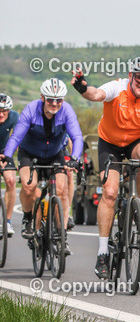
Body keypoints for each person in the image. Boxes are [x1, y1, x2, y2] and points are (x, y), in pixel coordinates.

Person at [72, 57, 140, 280]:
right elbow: (96, 94)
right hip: (110, 144)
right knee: (109, 193)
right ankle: (102, 252)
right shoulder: (117, 88)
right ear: (131, 76)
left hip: (136, 140)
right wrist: (82, 88)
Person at [0, 79, 83, 254]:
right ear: (42, 97)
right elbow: (16, 137)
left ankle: (62, 237)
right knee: (29, 187)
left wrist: (75, 158)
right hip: (29, 153)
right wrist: (7, 156)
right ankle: (28, 218)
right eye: (50, 99)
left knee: (61, 190)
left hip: (54, 154)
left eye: (58, 100)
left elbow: (76, 137)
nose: (54, 103)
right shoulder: (31, 109)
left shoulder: (66, 110)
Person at [0, 93, 19, 237]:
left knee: (11, 181)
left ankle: (7, 221)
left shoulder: (14, 117)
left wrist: (9, 153)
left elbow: (17, 137)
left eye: (4, 111)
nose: (1, 115)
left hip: (5, 151)